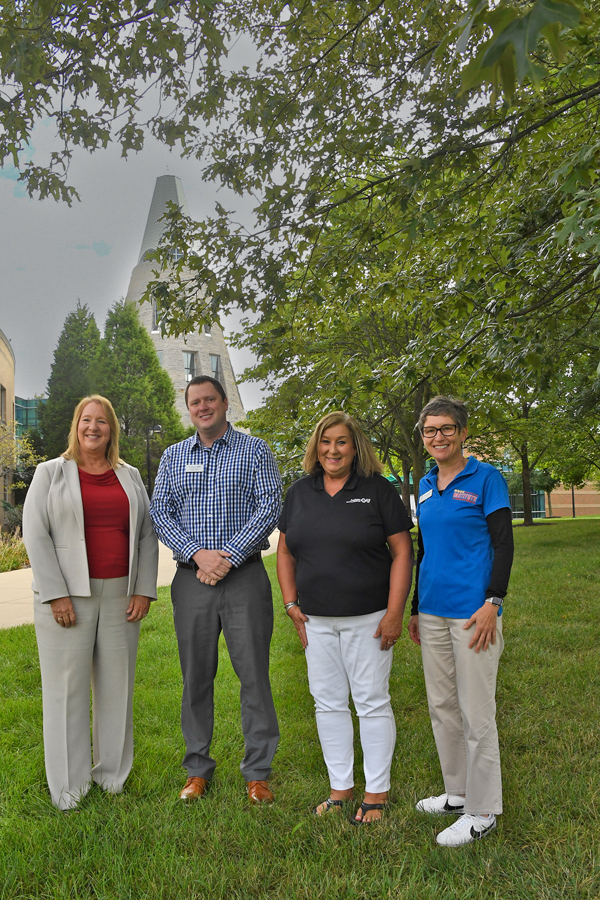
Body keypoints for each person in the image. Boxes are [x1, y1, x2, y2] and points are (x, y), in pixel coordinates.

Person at [149, 375, 282, 803]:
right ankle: (197, 770)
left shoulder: (255, 450)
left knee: (254, 676)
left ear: (225, 403)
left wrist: (227, 556)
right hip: (192, 581)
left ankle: (257, 773)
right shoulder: (173, 456)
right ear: (188, 409)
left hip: (244, 578)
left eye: (210, 399)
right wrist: (197, 554)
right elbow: (160, 512)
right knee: (195, 677)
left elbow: (269, 506)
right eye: (195, 402)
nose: (203, 407)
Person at [22, 394, 158, 811]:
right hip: (67, 598)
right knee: (67, 691)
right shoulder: (50, 473)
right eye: (86, 419)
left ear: (111, 428)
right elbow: (35, 533)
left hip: (121, 595)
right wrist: (56, 594)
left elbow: (147, 533)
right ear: (76, 426)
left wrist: (143, 589)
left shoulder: (129, 475)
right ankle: (69, 788)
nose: (93, 427)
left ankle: (112, 777)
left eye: (101, 420)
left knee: (117, 688)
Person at [277, 411, 413, 824]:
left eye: (341, 442)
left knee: (371, 702)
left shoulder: (377, 490)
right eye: (325, 441)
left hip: (369, 619)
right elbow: (285, 551)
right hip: (315, 621)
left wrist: (394, 613)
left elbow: (402, 553)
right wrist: (290, 604)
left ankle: (376, 793)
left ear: (355, 448)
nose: (332, 450)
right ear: (315, 447)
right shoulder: (300, 492)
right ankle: (340, 790)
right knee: (328, 704)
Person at [408, 396, 514, 846]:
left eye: (446, 428)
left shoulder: (487, 478)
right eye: (430, 430)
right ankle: (458, 793)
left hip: (474, 613)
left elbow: (504, 544)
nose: (438, 437)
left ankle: (483, 810)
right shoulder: (425, 484)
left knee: (476, 712)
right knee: (443, 707)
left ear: (463, 432)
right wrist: (416, 607)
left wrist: (494, 601)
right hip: (433, 610)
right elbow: (425, 550)